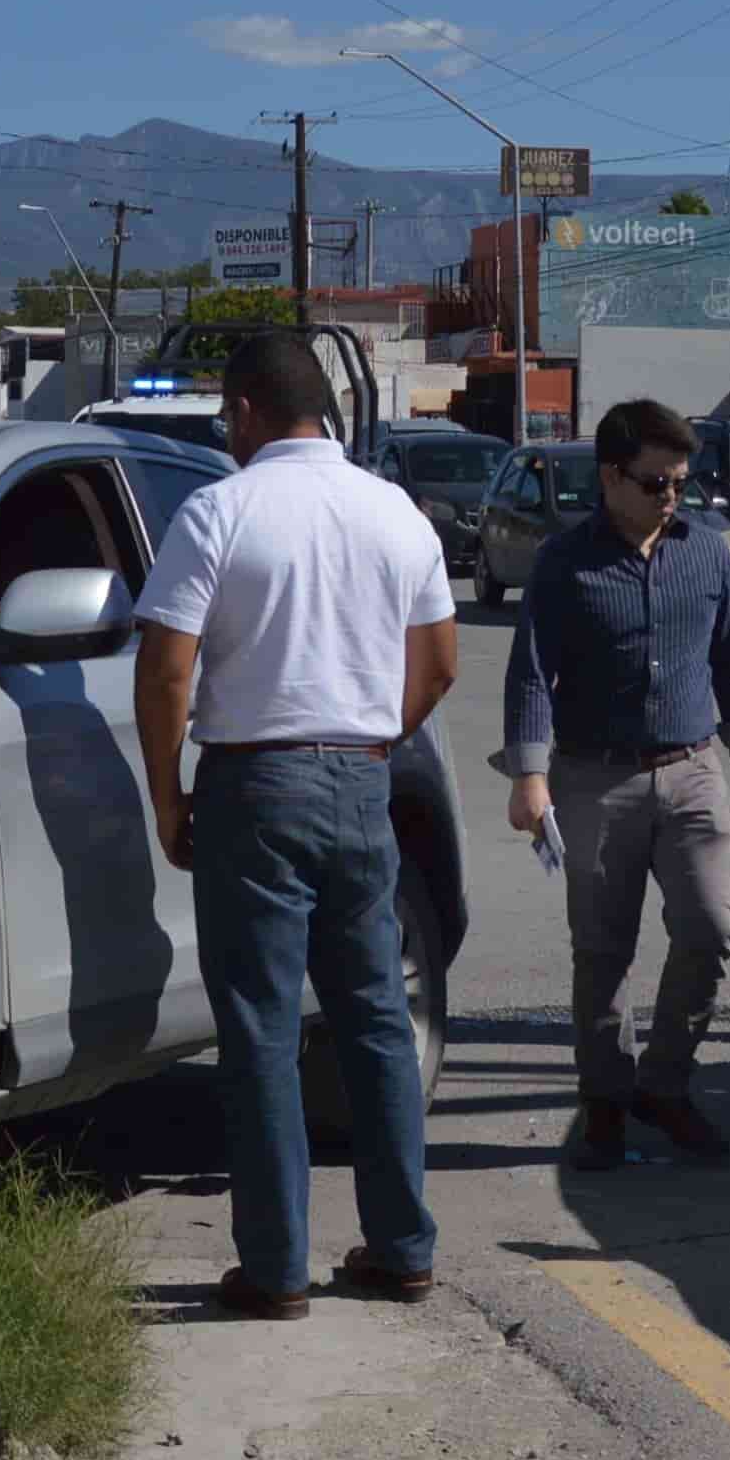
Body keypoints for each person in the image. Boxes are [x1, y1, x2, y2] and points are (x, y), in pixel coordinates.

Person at [132, 331, 460, 1321]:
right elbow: (441, 663)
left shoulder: (218, 511)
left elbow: (167, 668)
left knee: (262, 1028)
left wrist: (167, 795)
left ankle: (275, 1267)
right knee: (373, 1022)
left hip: (255, 785)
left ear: (241, 411)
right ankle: (402, 1248)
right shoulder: (392, 510)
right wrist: (368, 739)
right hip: (363, 785)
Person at [500, 399, 730, 1168]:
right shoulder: (564, 561)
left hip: (692, 771)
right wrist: (531, 775)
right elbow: (530, 675)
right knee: (603, 950)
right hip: (593, 779)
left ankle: (666, 1084)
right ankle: (607, 1101)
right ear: (611, 477)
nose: (671, 496)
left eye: (683, 482)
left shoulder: (709, 553)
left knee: (710, 930)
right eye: (656, 482)